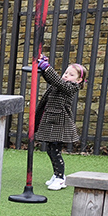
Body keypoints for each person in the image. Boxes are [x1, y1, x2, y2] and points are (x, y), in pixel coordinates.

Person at [35, 56, 87, 191]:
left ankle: (60, 179)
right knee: (49, 150)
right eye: (65, 73)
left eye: (71, 74)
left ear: (78, 80)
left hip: (60, 123)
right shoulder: (61, 84)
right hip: (52, 121)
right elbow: (53, 80)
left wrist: (47, 68)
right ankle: (57, 174)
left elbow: (58, 82)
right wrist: (44, 69)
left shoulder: (71, 87)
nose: (66, 76)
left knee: (56, 151)